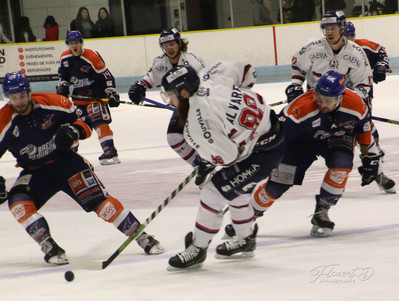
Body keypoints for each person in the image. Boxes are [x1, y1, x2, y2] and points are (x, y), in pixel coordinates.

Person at [0, 71, 164, 265]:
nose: (18, 102)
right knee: (18, 205)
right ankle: (49, 246)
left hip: (66, 164)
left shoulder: (53, 103)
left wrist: (75, 130)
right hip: (35, 173)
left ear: (29, 92)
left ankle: (141, 236)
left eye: (21, 96)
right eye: (13, 98)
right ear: (7, 97)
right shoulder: (4, 121)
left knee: (104, 205)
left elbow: (85, 119)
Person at [161, 62, 285, 270]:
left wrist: (208, 160)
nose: (169, 101)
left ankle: (198, 249)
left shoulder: (198, 125)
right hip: (272, 130)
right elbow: (246, 71)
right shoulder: (210, 74)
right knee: (235, 191)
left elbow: (228, 156)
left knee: (213, 193)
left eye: (170, 95)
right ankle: (245, 239)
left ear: (183, 93)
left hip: (262, 152)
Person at [251, 70, 375, 238]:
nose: (321, 103)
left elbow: (363, 129)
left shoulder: (356, 105)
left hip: (333, 136)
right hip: (297, 143)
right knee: (277, 185)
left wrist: (367, 156)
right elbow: (275, 135)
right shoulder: (299, 110)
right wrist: (266, 158)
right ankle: (246, 218)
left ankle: (322, 212)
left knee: (341, 166)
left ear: (340, 97)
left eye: (327, 101)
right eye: (318, 98)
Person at [284, 10, 395, 194]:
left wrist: (352, 108)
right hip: (317, 104)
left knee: (368, 134)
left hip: (344, 104)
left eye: (333, 27)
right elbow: (298, 67)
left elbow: (363, 86)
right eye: (326, 28)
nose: (329, 31)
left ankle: (377, 172)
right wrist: (295, 84)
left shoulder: (356, 53)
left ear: (342, 27)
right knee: (296, 134)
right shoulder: (311, 48)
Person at [128, 28, 206, 169]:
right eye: (165, 45)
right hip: (182, 105)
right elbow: (151, 77)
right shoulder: (159, 62)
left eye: (172, 44)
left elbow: (206, 83)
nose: (169, 48)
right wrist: (140, 86)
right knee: (174, 137)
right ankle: (199, 165)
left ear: (179, 43)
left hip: (201, 103)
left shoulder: (192, 61)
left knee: (201, 134)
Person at [56, 31, 121, 165]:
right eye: (71, 43)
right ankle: (71, 154)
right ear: (68, 44)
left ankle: (109, 149)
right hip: (79, 100)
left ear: (81, 43)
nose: (75, 46)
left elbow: (106, 77)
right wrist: (62, 86)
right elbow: (63, 77)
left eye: (77, 43)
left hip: (95, 97)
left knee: (97, 118)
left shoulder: (92, 56)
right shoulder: (64, 58)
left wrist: (111, 93)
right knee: (74, 126)